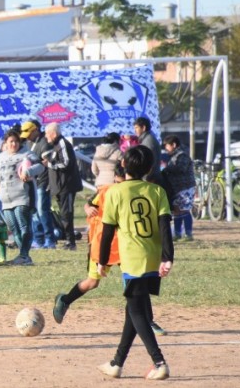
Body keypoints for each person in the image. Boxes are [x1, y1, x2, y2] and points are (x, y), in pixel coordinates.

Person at [52, 165, 169, 337]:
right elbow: (89, 204)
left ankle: (148, 320)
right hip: (102, 244)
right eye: (119, 182)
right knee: (92, 282)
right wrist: (88, 209)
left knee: (136, 283)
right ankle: (65, 300)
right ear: (115, 179)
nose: (122, 186)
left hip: (124, 245)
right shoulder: (106, 191)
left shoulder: (134, 192)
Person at [95, 145, 174, 381]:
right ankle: (116, 363)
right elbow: (165, 228)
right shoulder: (157, 191)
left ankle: (159, 362)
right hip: (153, 257)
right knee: (133, 308)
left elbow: (107, 232)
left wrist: (102, 261)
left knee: (138, 311)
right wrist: (167, 257)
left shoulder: (115, 192)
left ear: (123, 166)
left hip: (132, 259)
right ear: (149, 168)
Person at [0, 131, 44, 265]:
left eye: (16, 141)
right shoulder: (1, 156)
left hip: (22, 196)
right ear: (5, 143)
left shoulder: (27, 154)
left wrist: (27, 171)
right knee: (13, 227)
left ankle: (24, 256)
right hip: (5, 198)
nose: (14, 144)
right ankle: (23, 256)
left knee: (23, 225)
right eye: (11, 141)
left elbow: (40, 166)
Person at [44, 122, 83, 250]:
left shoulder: (63, 144)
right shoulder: (55, 146)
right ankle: (68, 240)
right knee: (64, 214)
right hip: (60, 186)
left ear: (54, 134)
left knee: (67, 213)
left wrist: (49, 164)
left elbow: (66, 163)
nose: (46, 136)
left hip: (67, 185)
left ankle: (71, 242)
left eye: (47, 134)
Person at [21, 121, 57, 249]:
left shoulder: (44, 143)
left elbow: (49, 161)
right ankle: (39, 238)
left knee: (42, 210)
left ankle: (50, 239)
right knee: (34, 211)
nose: (27, 137)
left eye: (29, 133)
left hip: (43, 181)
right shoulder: (29, 143)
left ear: (36, 130)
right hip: (32, 182)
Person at [161, 135, 196, 242]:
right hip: (177, 188)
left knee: (184, 209)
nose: (165, 148)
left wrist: (166, 169)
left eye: (167, 146)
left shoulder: (182, 155)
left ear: (174, 145)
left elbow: (181, 169)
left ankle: (188, 234)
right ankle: (177, 233)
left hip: (185, 187)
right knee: (177, 211)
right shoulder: (174, 156)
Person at [133, 116, 163, 184]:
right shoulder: (146, 140)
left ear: (143, 128)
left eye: (136, 128)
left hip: (150, 180)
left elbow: (151, 162)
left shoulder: (148, 142)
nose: (135, 131)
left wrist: (145, 178)